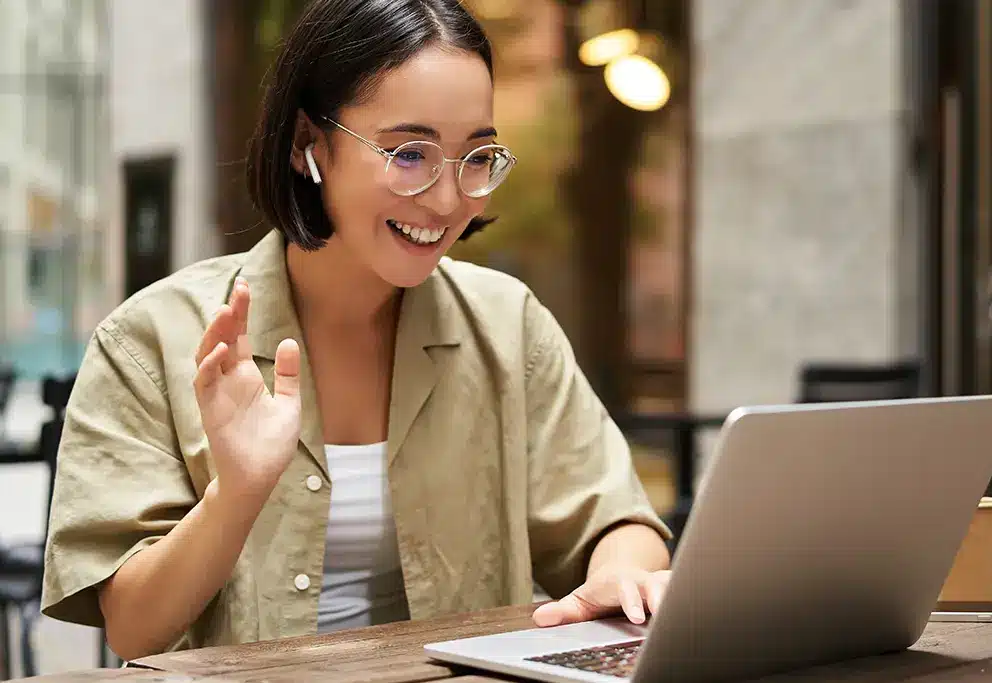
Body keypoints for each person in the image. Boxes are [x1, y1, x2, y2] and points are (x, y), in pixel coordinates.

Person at [40, 0, 672, 661]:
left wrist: (620, 573)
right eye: (408, 153)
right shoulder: (148, 339)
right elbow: (132, 628)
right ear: (308, 144)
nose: (448, 199)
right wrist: (235, 496)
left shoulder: (507, 324)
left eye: (476, 155)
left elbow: (616, 520)